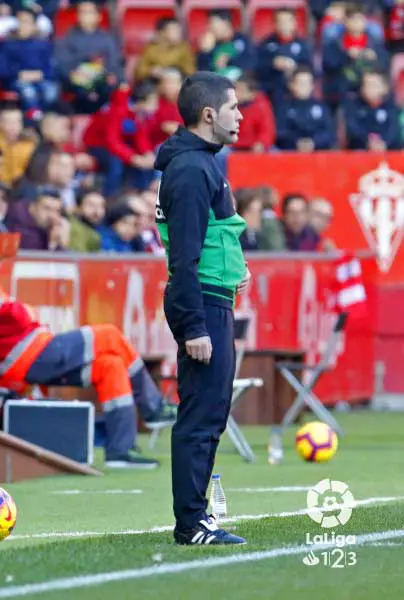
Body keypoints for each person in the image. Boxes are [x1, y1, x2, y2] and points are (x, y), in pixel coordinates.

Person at [0, 245, 172, 467]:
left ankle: (120, 450)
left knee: (110, 365)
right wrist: (25, 310)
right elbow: (16, 316)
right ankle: (152, 408)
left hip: (35, 353)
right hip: (28, 357)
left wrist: (25, 312)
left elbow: (17, 316)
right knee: (109, 335)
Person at [154, 71, 250, 545]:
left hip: (214, 299)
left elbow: (213, 240)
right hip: (203, 306)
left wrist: (237, 271)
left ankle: (197, 518)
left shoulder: (204, 163)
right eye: (235, 107)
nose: (241, 116)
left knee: (211, 414)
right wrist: (194, 326)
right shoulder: (192, 170)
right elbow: (184, 259)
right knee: (200, 417)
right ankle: (191, 524)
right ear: (209, 114)